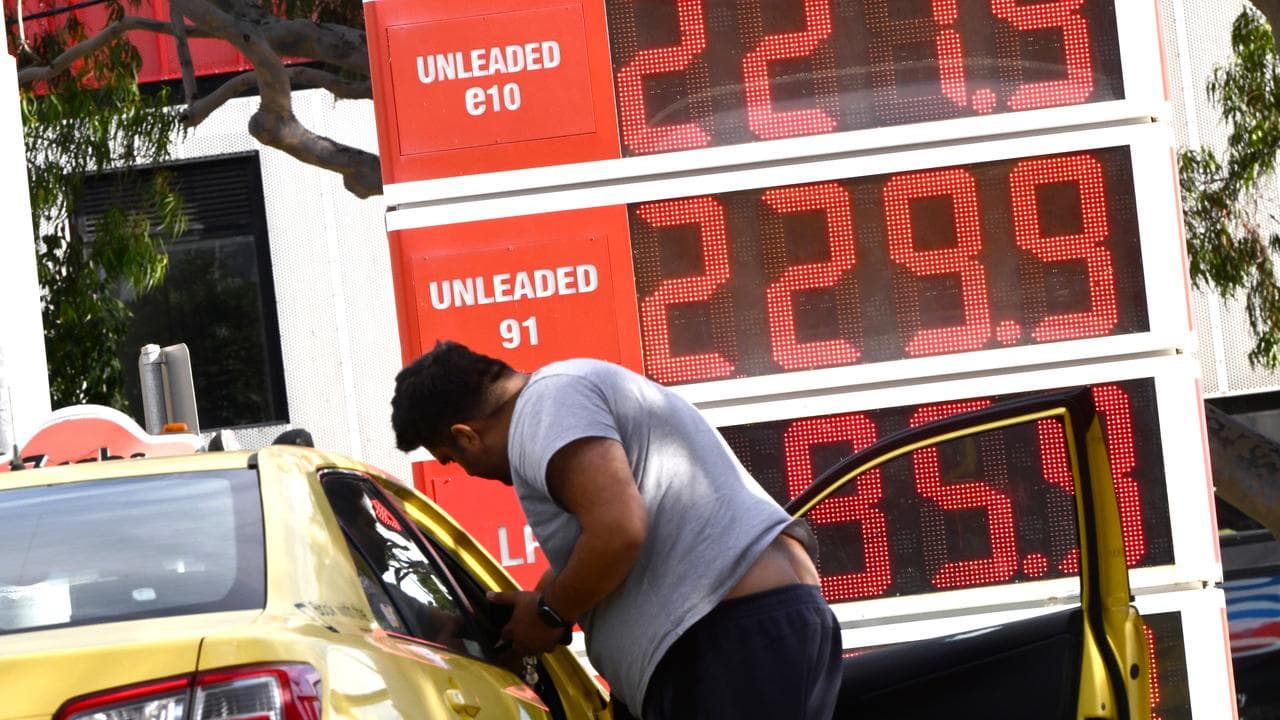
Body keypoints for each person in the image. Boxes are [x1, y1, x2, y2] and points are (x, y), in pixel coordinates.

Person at [391, 341, 842, 719]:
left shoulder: (546, 407)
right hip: (753, 634)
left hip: (731, 641)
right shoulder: (567, 392)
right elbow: (605, 541)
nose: (463, 471)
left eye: (451, 458)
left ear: (466, 435)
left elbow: (618, 531)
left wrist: (549, 615)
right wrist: (530, 612)